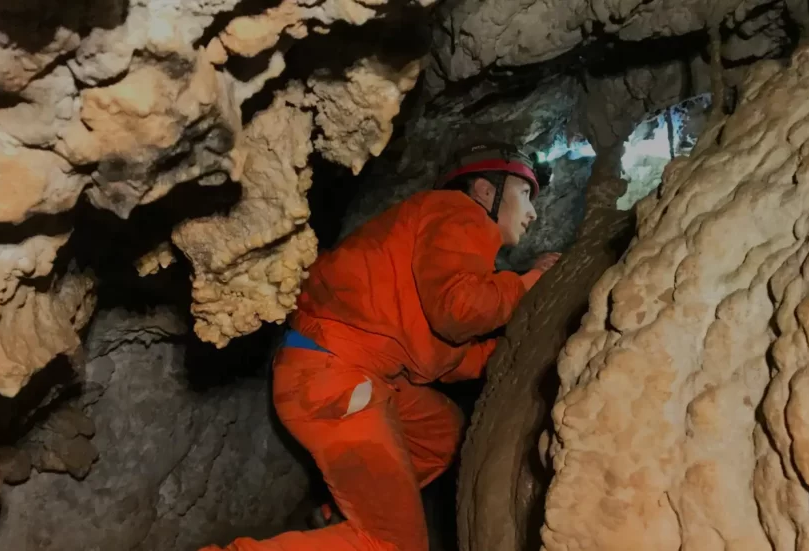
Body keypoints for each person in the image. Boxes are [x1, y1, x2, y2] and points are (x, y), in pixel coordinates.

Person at [199, 142, 561, 551]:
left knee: (439, 432)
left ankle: (338, 516)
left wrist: (516, 346)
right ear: (483, 191)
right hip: (332, 373)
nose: (533, 212)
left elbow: (445, 356)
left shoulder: (446, 244)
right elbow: (459, 310)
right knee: (393, 544)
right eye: (525, 193)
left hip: (337, 368)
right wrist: (527, 284)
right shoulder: (459, 214)